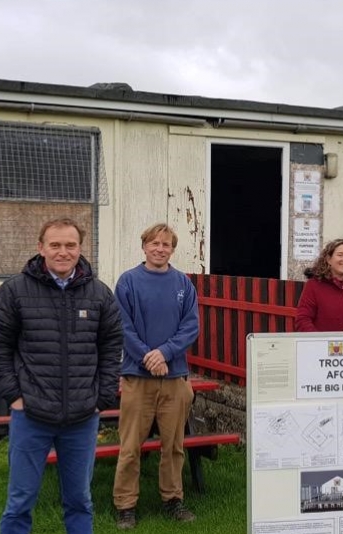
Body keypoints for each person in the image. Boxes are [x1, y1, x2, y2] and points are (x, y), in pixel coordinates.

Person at [0, 218, 122, 534]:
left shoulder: (99, 294)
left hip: (83, 417)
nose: (63, 252)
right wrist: (13, 396)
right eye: (55, 245)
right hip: (31, 414)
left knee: (80, 501)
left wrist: (102, 398)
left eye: (70, 245)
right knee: (19, 502)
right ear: (40, 247)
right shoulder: (14, 291)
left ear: (80, 248)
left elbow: (112, 346)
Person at [112, 223, 200, 530]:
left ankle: (173, 499)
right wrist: (149, 358)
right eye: (154, 243)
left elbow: (190, 326)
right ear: (144, 246)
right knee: (130, 446)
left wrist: (164, 353)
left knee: (173, 445)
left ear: (172, 249)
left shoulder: (183, 284)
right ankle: (125, 505)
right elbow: (122, 327)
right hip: (137, 377)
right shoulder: (128, 282)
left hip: (174, 377)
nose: (160, 248)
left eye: (166, 244)